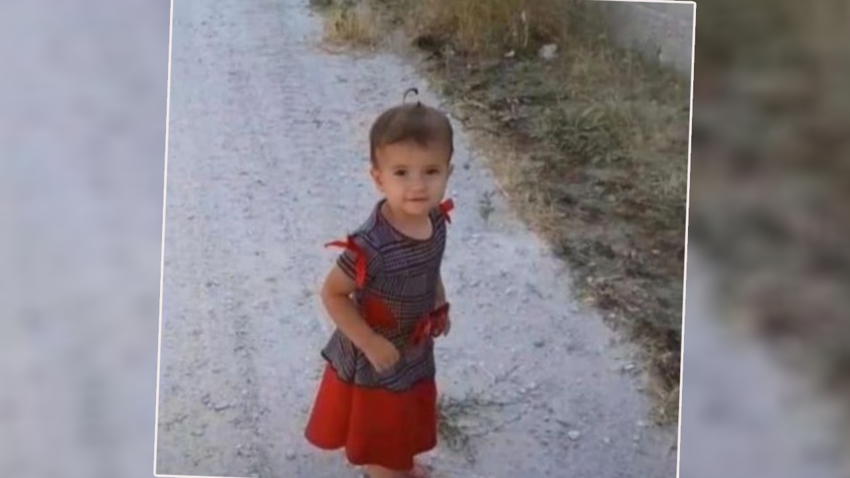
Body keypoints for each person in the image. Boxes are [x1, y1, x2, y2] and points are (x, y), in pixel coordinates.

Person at [304, 89, 455, 478]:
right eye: (401, 172)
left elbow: (430, 265)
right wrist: (370, 342)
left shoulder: (436, 219)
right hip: (374, 356)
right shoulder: (371, 245)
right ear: (378, 178)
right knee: (381, 426)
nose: (417, 185)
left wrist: (438, 303)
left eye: (431, 171)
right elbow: (333, 294)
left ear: (448, 173)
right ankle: (386, 470)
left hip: (412, 345)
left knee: (403, 414)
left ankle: (399, 464)